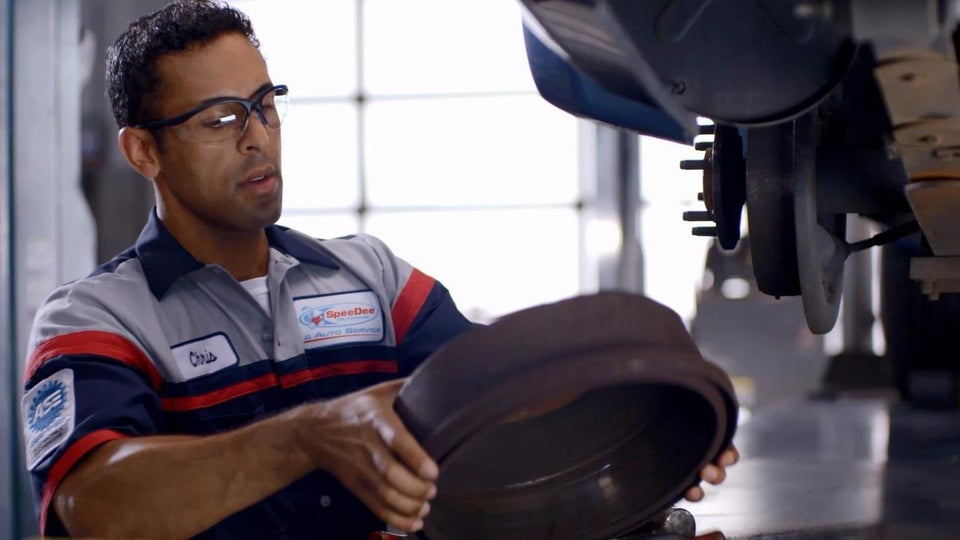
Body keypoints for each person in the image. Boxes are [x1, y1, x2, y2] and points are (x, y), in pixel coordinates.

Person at [19, 1, 738, 538]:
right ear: (143, 151)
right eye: (220, 119)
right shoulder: (96, 318)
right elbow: (91, 509)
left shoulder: (372, 278)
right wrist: (306, 436)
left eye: (265, 105)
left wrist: (647, 432)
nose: (257, 137)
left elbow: (494, 403)